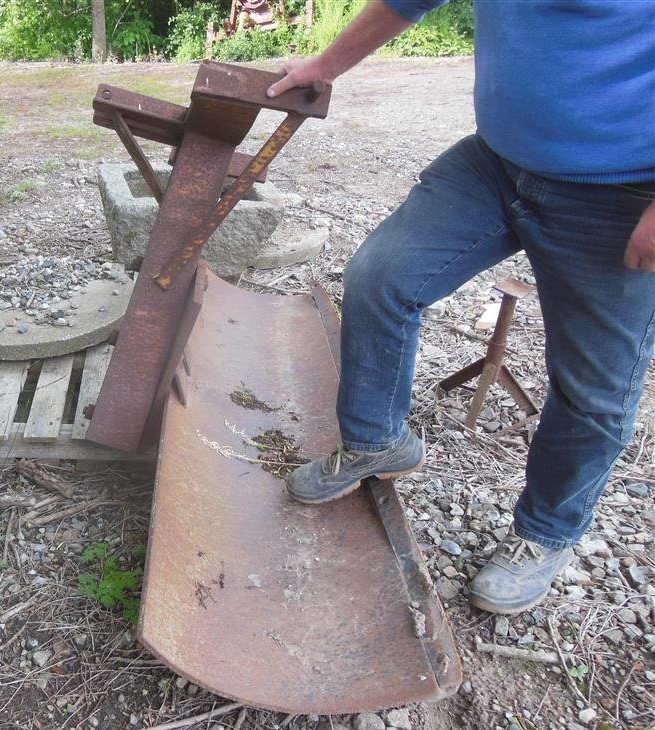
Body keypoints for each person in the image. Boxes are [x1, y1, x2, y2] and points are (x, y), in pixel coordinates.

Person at [266, 0, 655, 615]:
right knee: (382, 277)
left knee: (594, 389)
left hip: (622, 191)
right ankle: (376, 441)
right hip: (496, 163)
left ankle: (546, 532)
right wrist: (326, 65)